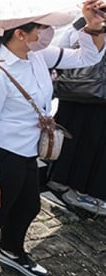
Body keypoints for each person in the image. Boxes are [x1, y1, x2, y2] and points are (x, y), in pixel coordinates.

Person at [0, 1, 106, 276]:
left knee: (28, 206)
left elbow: (85, 58)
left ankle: (10, 251)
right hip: (0, 153)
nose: (48, 32)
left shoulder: (38, 55)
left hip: (26, 151)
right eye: (41, 27)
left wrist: (94, 27)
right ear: (20, 33)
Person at [46, 18, 106, 214]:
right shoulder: (91, 16)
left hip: (82, 89)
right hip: (85, 88)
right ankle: (75, 190)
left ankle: (66, 184)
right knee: (87, 140)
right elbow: (66, 41)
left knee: (84, 138)